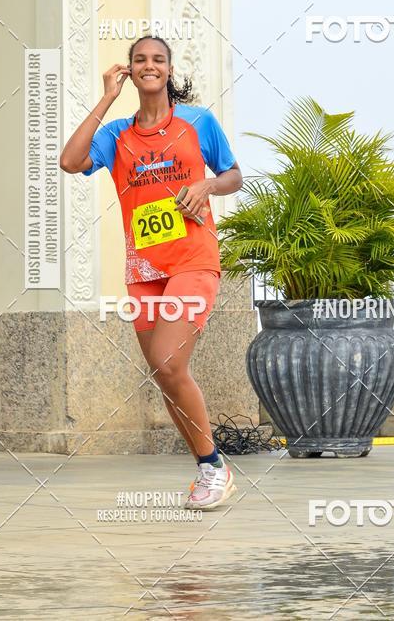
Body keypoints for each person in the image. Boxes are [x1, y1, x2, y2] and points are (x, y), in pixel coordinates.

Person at [60, 35, 244, 505]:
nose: (149, 65)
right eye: (140, 59)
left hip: (193, 259)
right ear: (129, 69)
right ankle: (208, 466)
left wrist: (206, 185)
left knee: (168, 361)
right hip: (143, 268)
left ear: (168, 68)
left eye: (157, 59)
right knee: (164, 374)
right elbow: (70, 160)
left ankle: (212, 467)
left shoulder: (197, 121)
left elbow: (233, 175)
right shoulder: (117, 133)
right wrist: (105, 98)